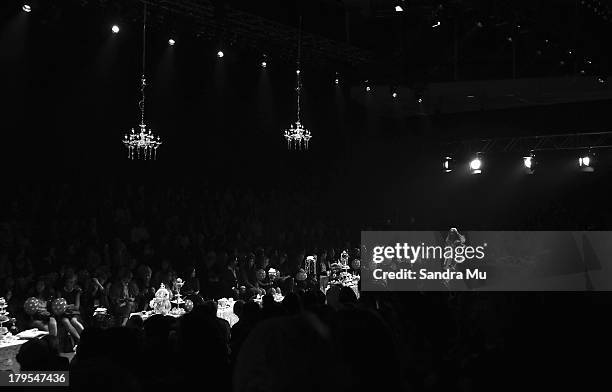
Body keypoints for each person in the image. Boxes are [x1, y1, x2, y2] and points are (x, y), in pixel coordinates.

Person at [57, 272, 84, 342]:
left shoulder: (76, 292)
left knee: (74, 321)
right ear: (65, 282)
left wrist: (66, 306)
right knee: (65, 321)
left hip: (74, 313)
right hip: (64, 313)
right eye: (69, 282)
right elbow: (59, 306)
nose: (70, 284)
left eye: (72, 282)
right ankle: (79, 340)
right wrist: (70, 306)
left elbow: (77, 307)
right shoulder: (60, 291)